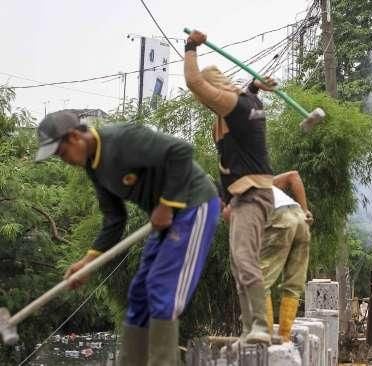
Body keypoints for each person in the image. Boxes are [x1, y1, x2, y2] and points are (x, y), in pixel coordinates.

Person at [35, 111, 220, 365]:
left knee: (162, 289)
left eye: (61, 153)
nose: (63, 160)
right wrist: (87, 262)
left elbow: (181, 151)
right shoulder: (94, 168)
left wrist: (166, 205)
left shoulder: (122, 139)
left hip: (193, 205)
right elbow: (114, 220)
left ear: (75, 137)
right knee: (139, 293)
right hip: (163, 218)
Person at [184, 30, 277, 345]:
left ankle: (261, 327)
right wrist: (226, 201)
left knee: (246, 260)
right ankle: (249, 329)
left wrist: (191, 47)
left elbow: (194, 83)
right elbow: (229, 162)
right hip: (241, 197)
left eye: (210, 96)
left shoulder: (236, 106)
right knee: (239, 264)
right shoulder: (245, 102)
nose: (206, 102)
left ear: (218, 89)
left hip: (254, 195)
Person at [222, 171, 312, 344]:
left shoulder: (239, 193)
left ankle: (265, 336)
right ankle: (284, 338)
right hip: (299, 219)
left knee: (257, 282)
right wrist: (305, 210)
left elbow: (228, 213)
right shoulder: (265, 183)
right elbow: (294, 176)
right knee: (294, 284)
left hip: (279, 219)